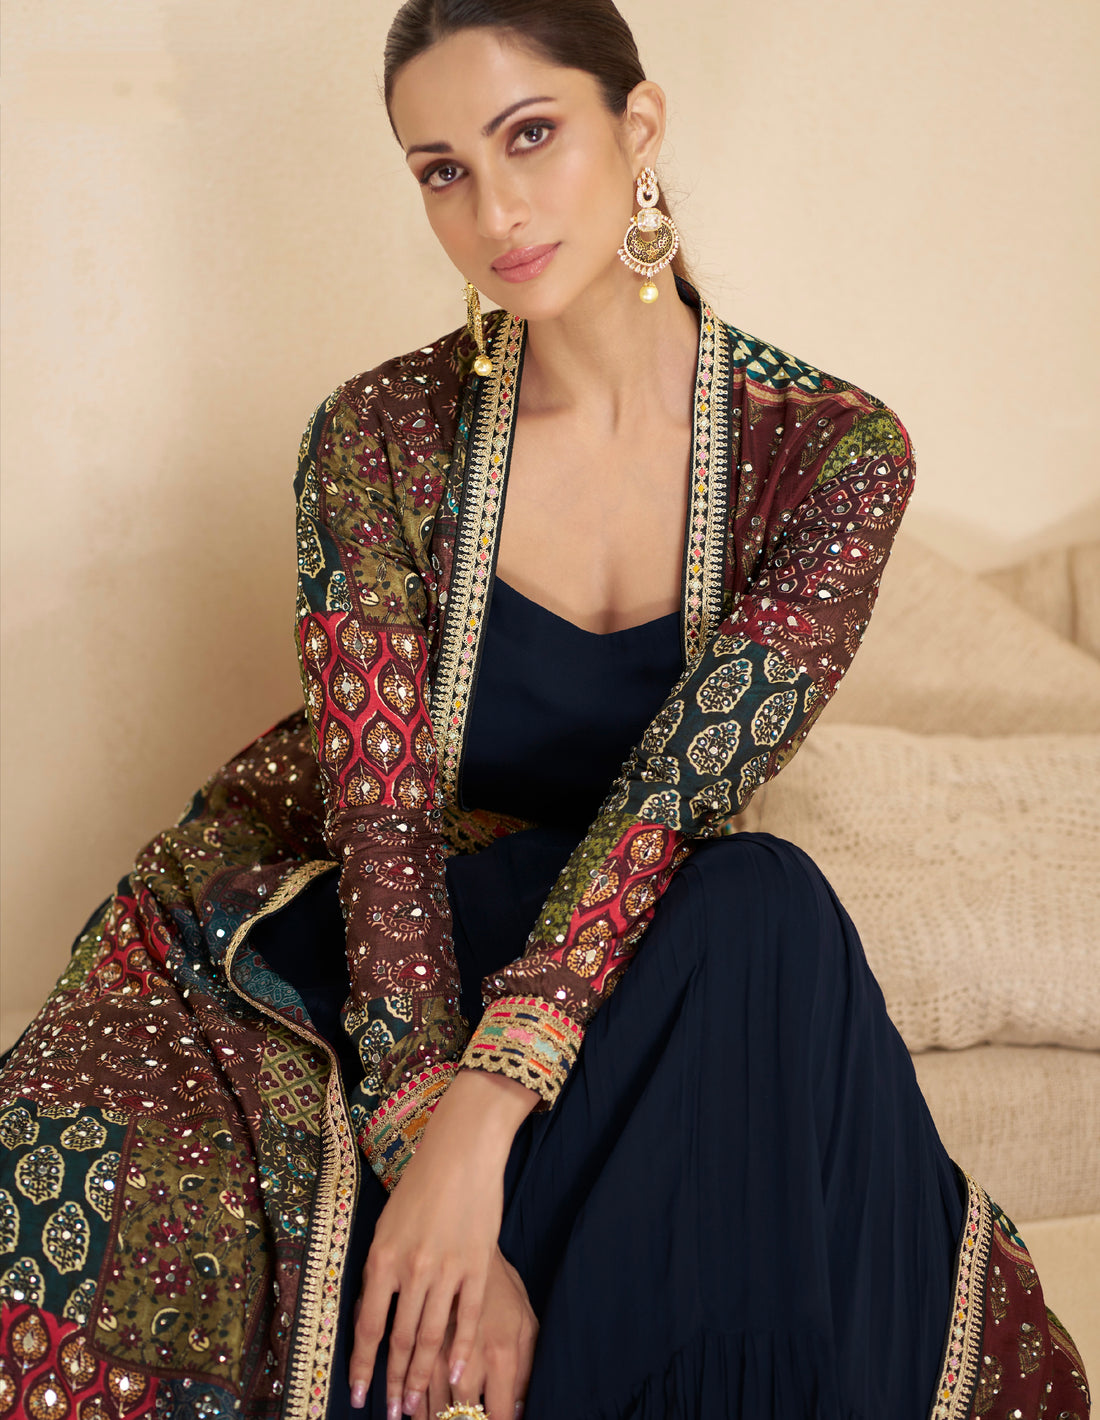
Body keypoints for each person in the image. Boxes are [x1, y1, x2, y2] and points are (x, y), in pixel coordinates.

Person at [0, 2, 1091, 1419]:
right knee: (68, 1180)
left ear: (639, 126)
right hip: (379, 940)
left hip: (634, 927)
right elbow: (383, 834)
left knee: (765, 900)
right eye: (442, 170)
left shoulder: (830, 455)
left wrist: (489, 1118)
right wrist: (427, 1151)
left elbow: (669, 807)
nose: (494, 210)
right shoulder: (377, 439)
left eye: (531, 136)